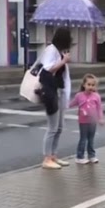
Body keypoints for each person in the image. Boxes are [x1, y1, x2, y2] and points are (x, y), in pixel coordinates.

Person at [37, 28, 74, 169]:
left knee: (59, 127)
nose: (71, 40)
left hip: (60, 91)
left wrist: (64, 59)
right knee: (52, 128)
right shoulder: (50, 50)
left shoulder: (59, 51)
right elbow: (48, 69)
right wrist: (63, 61)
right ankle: (47, 159)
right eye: (69, 37)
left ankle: (53, 156)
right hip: (51, 92)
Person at [67, 74, 104, 164]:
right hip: (83, 121)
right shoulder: (79, 96)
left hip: (92, 121)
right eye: (89, 84)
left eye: (93, 85)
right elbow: (72, 103)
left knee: (91, 139)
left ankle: (91, 155)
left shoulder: (96, 96)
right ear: (84, 85)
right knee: (83, 139)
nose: (90, 87)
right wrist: (64, 105)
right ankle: (79, 156)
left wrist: (100, 118)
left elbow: (99, 108)